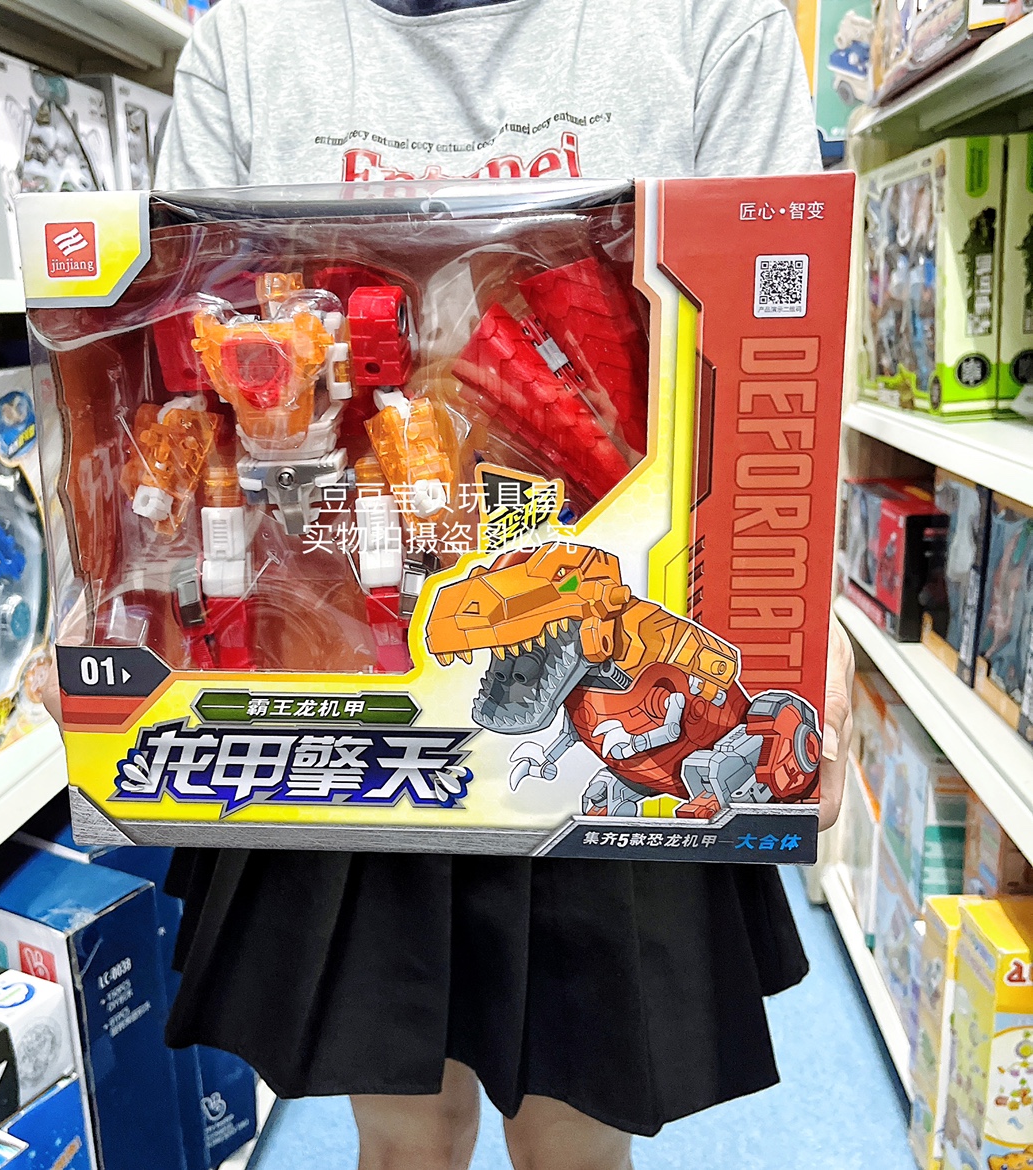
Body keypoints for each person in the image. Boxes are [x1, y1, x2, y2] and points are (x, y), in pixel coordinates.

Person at [131, 4, 858, 1168]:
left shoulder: (708, 20)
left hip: (612, 673)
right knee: (401, 1129)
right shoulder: (253, 40)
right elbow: (180, 361)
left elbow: (781, 355)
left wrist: (806, 632)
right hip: (347, 685)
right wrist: (113, 603)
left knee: (577, 1125)